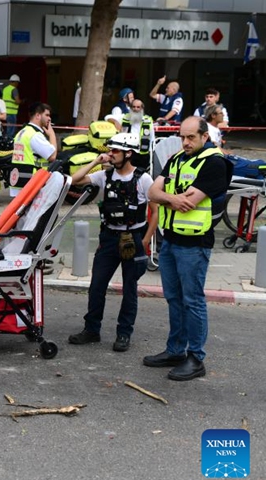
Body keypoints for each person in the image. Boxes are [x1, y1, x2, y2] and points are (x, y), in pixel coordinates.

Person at [144, 116, 231, 381]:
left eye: (191, 137)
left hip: (194, 245)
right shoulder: (177, 159)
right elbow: (151, 193)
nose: (185, 142)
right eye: (182, 137)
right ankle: (175, 351)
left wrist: (166, 199)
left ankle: (196, 358)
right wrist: (172, 198)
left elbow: (189, 203)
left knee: (192, 301)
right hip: (170, 241)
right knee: (174, 299)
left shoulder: (215, 163)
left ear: (205, 136)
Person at [67, 133, 157, 352]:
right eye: (110, 150)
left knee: (129, 288)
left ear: (129, 153)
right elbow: (75, 179)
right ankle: (91, 329)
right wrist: (96, 161)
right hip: (108, 238)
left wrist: (144, 241)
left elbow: (155, 213)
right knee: (97, 285)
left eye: (115, 151)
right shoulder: (104, 175)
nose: (110, 154)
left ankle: (124, 333)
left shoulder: (143, 179)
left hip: (133, 237)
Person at [8, 102, 57, 197]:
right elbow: (52, 156)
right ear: (38, 115)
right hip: (31, 182)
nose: (49, 119)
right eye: (46, 115)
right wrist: (52, 135)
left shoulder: (22, 132)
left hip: (19, 180)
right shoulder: (35, 135)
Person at [106, 99, 155, 170]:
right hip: (127, 152)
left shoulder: (148, 120)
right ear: (130, 108)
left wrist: (151, 153)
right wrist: (115, 122)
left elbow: (152, 138)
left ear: (142, 108)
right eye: (133, 107)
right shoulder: (125, 117)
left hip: (142, 154)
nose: (135, 109)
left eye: (138, 107)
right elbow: (107, 117)